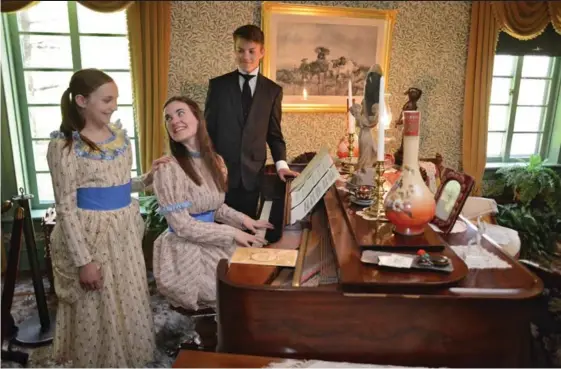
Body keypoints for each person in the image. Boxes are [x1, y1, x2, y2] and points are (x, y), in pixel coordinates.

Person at [46, 68, 166, 367]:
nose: (113, 107)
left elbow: (118, 182)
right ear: (82, 101)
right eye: (107, 100)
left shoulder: (118, 137)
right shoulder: (64, 146)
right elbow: (65, 207)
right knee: (96, 303)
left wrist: (147, 179)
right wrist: (83, 261)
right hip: (91, 236)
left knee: (128, 296)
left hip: (124, 230)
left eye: (116, 100)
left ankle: (131, 356)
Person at [152, 96, 272, 311]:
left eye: (180, 113)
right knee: (232, 290)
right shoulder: (168, 168)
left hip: (211, 236)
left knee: (256, 277)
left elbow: (215, 207)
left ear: (198, 118)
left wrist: (246, 221)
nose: (174, 121)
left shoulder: (216, 161)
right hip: (186, 247)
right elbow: (182, 226)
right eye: (168, 118)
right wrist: (232, 233)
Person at [204, 24, 299, 219]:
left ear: (262, 52)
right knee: (220, 226)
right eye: (240, 50)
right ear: (234, 50)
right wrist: (205, 163)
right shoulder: (218, 86)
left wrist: (282, 165)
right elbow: (207, 130)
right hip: (221, 173)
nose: (245, 56)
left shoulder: (273, 91)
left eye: (251, 51)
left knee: (246, 226)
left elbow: (274, 134)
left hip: (253, 174)